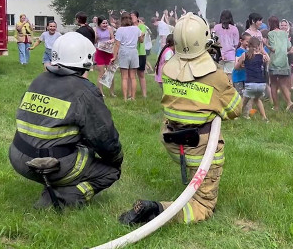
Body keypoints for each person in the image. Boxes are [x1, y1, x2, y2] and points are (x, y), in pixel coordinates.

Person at [119, 12, 242, 225]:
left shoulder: (168, 69)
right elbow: (235, 109)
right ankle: (157, 211)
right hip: (200, 147)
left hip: (172, 140)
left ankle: (191, 186)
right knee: (203, 205)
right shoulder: (215, 76)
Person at [8, 32, 123, 208]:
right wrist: (115, 158)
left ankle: (56, 182)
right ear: (86, 61)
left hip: (17, 156)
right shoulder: (84, 91)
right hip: (47, 164)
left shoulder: (39, 80)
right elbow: (104, 137)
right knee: (109, 172)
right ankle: (60, 199)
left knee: (79, 144)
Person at [236, 36, 270, 121]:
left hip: (250, 83)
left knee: (243, 102)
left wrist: (241, 65)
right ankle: (264, 117)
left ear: (248, 45)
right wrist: (262, 50)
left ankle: (236, 116)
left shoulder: (245, 55)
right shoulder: (262, 56)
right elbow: (268, 60)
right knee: (257, 99)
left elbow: (236, 67)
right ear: (258, 46)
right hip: (261, 84)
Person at [111, 12, 143, 101]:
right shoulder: (136, 29)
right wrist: (142, 35)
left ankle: (125, 98)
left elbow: (117, 44)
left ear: (122, 20)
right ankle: (133, 97)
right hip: (134, 52)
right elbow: (141, 40)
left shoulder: (120, 30)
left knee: (124, 77)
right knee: (133, 77)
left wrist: (114, 56)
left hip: (124, 52)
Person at [267, 16, 293, 111]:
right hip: (284, 61)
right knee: (283, 84)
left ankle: (276, 106)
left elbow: (273, 48)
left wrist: (265, 44)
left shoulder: (270, 33)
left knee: (274, 84)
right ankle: (289, 102)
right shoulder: (284, 33)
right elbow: (289, 47)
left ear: (270, 23)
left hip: (274, 61)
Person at [213, 10, 239, 81]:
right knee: (230, 78)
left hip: (219, 55)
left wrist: (221, 53)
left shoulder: (216, 28)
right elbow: (236, 44)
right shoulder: (234, 29)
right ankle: (230, 92)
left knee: (219, 78)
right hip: (231, 56)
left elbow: (214, 42)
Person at [94, 16, 116, 97]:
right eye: (103, 23)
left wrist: (111, 40)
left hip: (109, 52)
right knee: (101, 72)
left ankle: (112, 92)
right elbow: (94, 41)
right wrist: (96, 36)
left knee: (110, 72)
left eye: (106, 23)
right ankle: (101, 92)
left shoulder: (109, 28)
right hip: (100, 52)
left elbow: (113, 38)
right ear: (99, 24)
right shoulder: (95, 29)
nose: (105, 25)